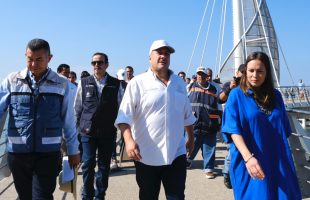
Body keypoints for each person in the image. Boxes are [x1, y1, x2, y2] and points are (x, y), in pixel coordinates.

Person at [0, 38, 80, 200]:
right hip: (18, 154)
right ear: (25, 56)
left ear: (49, 58)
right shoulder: (11, 80)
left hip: (48, 154)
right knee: (25, 196)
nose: (34, 64)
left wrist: (73, 150)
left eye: (39, 60)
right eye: (30, 59)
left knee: (42, 196)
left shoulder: (61, 83)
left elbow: (68, 121)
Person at [115, 39, 195, 200]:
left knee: (177, 196)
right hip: (146, 155)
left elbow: (187, 115)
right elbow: (124, 116)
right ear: (149, 57)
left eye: (167, 53)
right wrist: (129, 141)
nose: (163, 56)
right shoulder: (138, 83)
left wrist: (191, 138)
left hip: (176, 153)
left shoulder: (179, 84)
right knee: (148, 196)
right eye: (159, 52)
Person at [222, 52, 302, 200]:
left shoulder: (276, 96)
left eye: (260, 71)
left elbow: (284, 129)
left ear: (267, 73)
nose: (255, 75)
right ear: (245, 71)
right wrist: (248, 158)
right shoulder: (237, 95)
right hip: (250, 161)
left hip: (277, 160)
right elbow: (233, 130)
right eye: (251, 70)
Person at [74, 52, 121, 200]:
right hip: (87, 131)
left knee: (104, 166)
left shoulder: (116, 84)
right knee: (88, 163)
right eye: (94, 63)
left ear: (106, 64)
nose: (96, 65)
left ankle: (100, 195)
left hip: (108, 132)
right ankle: (87, 195)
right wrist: (74, 130)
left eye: (100, 62)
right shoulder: (84, 82)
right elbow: (77, 107)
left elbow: (122, 108)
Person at [187, 66, 221, 179]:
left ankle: (209, 169)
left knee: (209, 146)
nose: (200, 76)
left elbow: (220, 105)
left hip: (210, 122)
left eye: (202, 74)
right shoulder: (190, 86)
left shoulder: (215, 88)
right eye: (198, 74)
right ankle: (188, 160)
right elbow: (183, 102)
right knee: (192, 143)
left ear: (207, 76)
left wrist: (220, 121)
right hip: (194, 122)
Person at [219, 63, 245, 189]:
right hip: (232, 122)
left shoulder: (249, 86)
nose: (243, 76)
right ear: (238, 73)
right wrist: (230, 88)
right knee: (231, 150)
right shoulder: (230, 84)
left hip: (245, 122)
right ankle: (227, 174)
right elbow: (220, 99)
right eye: (242, 73)